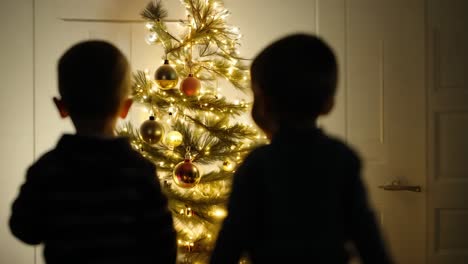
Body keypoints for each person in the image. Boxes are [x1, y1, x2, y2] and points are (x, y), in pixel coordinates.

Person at [209, 33, 393, 264]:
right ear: (329, 103)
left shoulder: (257, 165)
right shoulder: (342, 158)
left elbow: (229, 244)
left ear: (263, 103)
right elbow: (370, 241)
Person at [9, 40, 177, 264]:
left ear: (61, 107)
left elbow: (24, 229)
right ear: (125, 108)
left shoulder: (48, 168)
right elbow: (163, 246)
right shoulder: (138, 170)